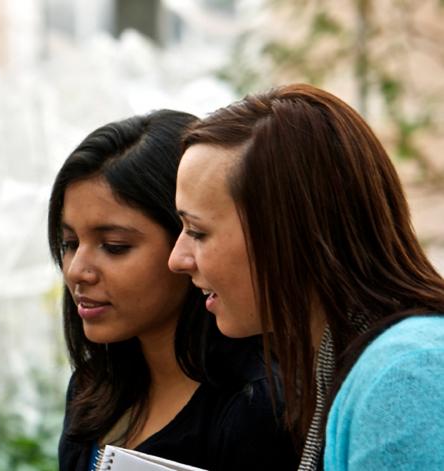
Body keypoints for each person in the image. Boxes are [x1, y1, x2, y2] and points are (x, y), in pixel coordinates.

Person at [169, 83, 444, 470]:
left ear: (288, 232)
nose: (177, 259)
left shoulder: (404, 377)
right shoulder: (359, 362)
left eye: (197, 232)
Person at [47, 110, 295, 470]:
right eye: (70, 242)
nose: (77, 271)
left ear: (188, 238)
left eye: (114, 246)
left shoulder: (258, 405)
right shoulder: (93, 387)